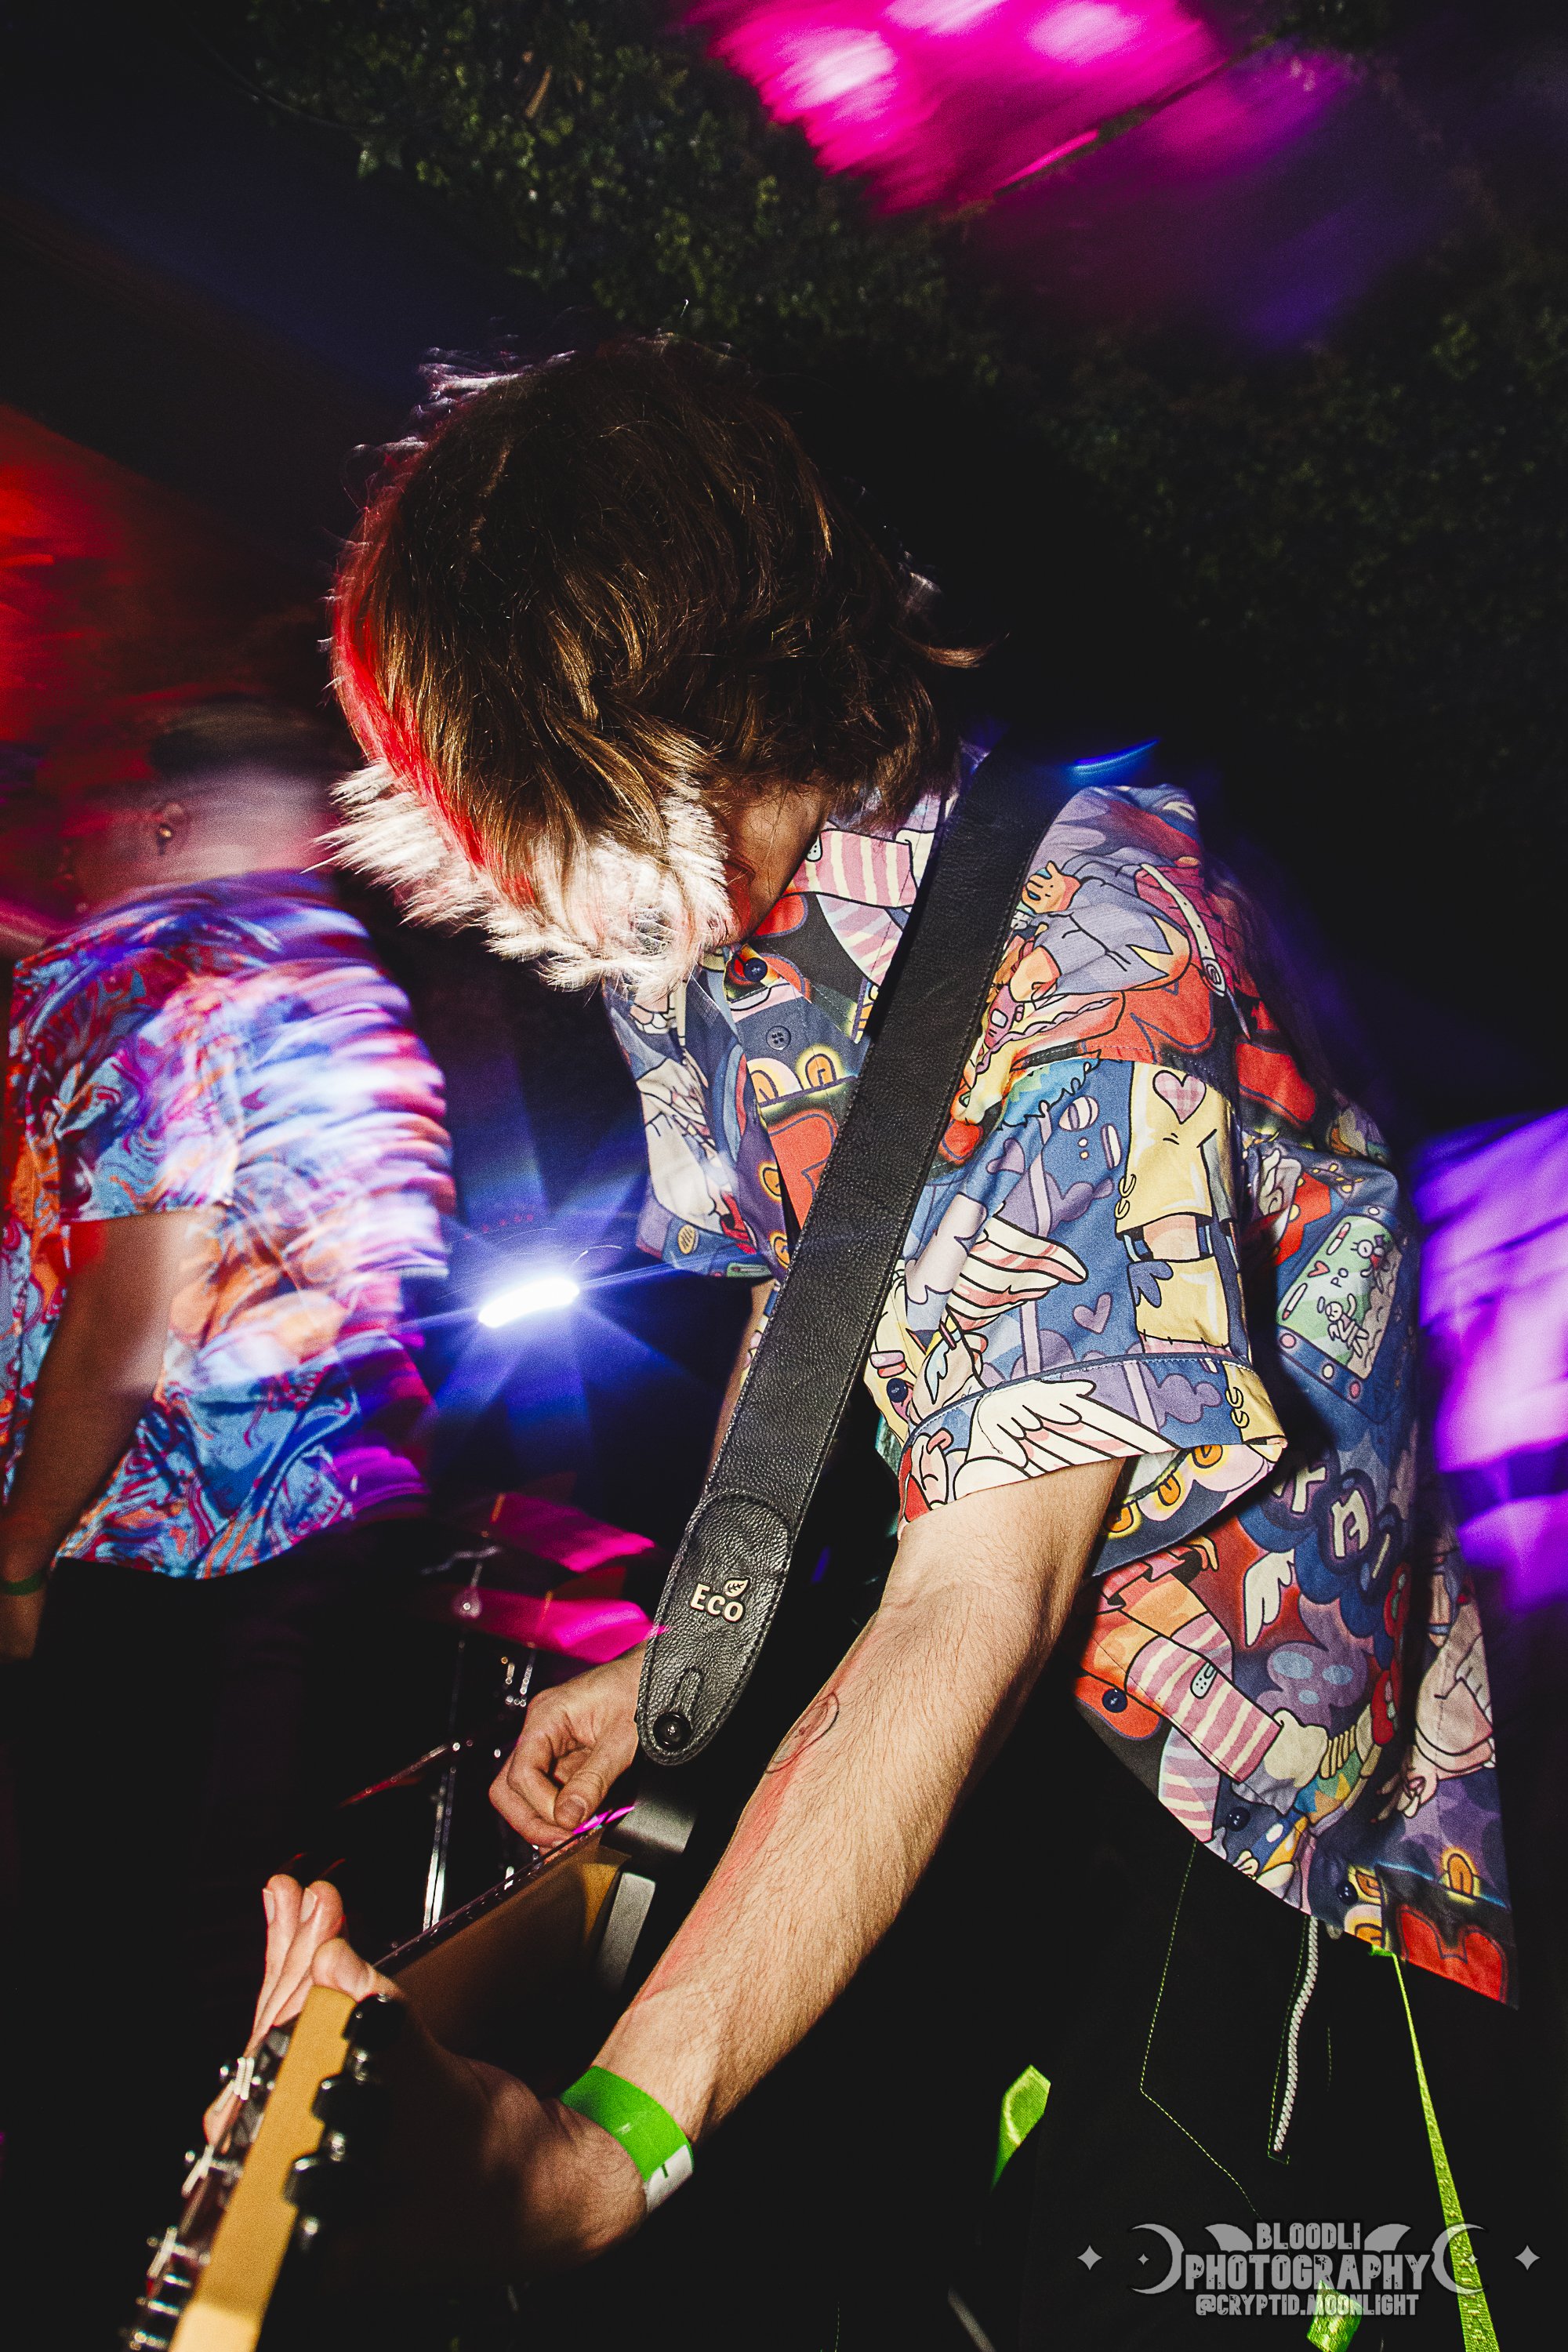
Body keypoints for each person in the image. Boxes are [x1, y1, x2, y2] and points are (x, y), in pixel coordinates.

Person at [240, 343, 1536, 2347]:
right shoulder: (709, 924)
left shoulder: (1104, 944)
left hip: (1260, 1823)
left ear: (705, 693)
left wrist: (601, 2149)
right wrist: (699, 1639)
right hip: (982, 1746)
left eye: (549, 803)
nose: (521, 881)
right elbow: (807, 1283)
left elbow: (977, 1608)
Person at [0, 694, 453, 2341]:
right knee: (231, 1956)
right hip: (326, 1554)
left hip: (161, 1565)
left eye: (112, 827)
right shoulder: (356, 996)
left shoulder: (155, 972)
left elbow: (134, 1310)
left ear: (174, 826)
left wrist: (18, 1548)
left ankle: (76, 2292)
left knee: (98, 1985)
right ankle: (211, 2279)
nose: (88, 856)